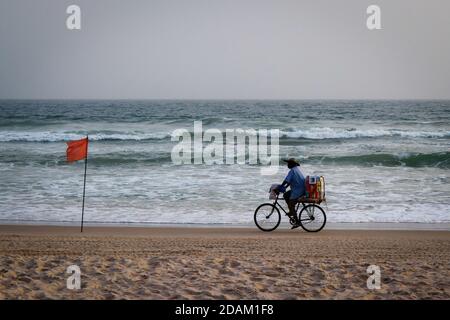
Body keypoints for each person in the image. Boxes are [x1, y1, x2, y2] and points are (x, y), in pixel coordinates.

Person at [276, 158, 306, 229]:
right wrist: (284, 187)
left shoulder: (292, 171)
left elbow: (286, 181)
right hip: (299, 189)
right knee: (286, 195)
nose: (287, 165)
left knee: (291, 204)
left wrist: (280, 187)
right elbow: (290, 181)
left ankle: (297, 222)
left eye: (289, 163)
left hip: (298, 191)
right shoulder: (296, 170)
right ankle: (291, 211)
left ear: (292, 164)